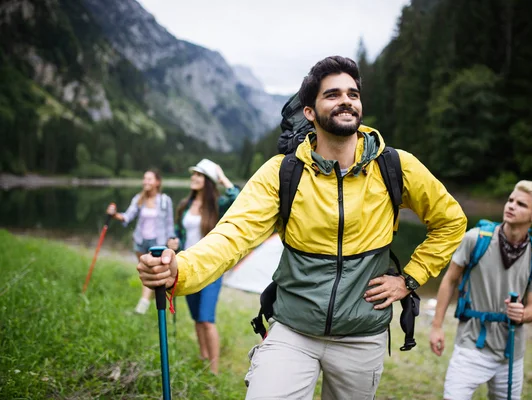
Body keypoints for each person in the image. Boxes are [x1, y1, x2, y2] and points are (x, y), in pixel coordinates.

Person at [137, 56, 467, 399]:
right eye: (333, 94)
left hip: (362, 336)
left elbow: (450, 221)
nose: (346, 101)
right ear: (309, 111)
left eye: (353, 94)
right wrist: (181, 269)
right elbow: (233, 235)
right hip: (293, 330)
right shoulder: (283, 173)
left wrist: (409, 279)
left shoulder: (396, 166)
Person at [429, 180, 532, 400]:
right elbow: (449, 280)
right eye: (510, 200)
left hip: (510, 352)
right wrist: (437, 326)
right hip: (471, 344)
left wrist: (523, 314)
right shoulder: (475, 239)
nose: (511, 206)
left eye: (521, 204)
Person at [173, 159, 240, 375]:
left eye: (200, 175)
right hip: (187, 266)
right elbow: (177, 232)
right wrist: (172, 242)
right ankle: (202, 356)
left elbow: (237, 199)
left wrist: (222, 178)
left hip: (211, 268)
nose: (194, 177)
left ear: (209, 181)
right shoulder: (184, 205)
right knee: (196, 318)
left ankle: (214, 370)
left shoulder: (217, 206)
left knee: (206, 319)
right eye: (194, 174)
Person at [106, 169, 177, 314]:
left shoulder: (165, 200)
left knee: (156, 274)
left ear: (157, 182)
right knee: (147, 273)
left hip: (158, 243)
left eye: (149, 179)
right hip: (140, 241)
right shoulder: (139, 199)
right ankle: (149, 303)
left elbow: (170, 223)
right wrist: (114, 215)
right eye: (145, 179)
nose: (146, 181)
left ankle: (142, 308)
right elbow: (127, 217)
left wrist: (172, 239)